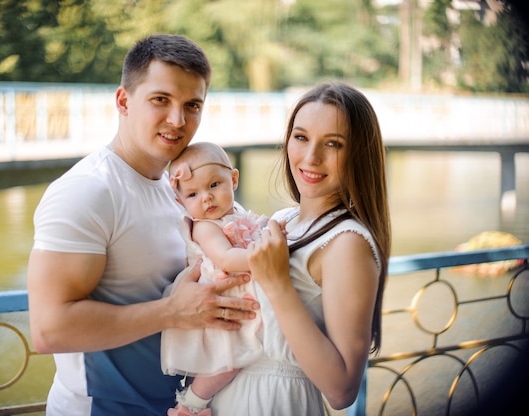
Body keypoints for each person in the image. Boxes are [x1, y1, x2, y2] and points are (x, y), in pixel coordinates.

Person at [26, 34, 259, 416]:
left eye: (192, 105)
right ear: (123, 101)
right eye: (160, 100)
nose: (177, 120)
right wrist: (172, 311)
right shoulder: (88, 190)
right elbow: (50, 329)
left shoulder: (185, 190)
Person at [208, 82, 392, 415]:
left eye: (333, 144)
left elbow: (341, 390)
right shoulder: (284, 220)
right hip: (229, 395)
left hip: (277, 402)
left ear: (358, 153)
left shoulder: (347, 243)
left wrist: (278, 285)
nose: (311, 157)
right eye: (301, 137)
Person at [161, 142, 268, 415]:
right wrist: (269, 255)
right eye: (193, 193)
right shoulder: (205, 227)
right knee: (228, 361)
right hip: (215, 300)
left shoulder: (235, 214)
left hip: (234, 295)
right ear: (180, 201)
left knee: (247, 354)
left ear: (233, 179)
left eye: (214, 186)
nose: (206, 198)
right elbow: (227, 258)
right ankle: (191, 404)